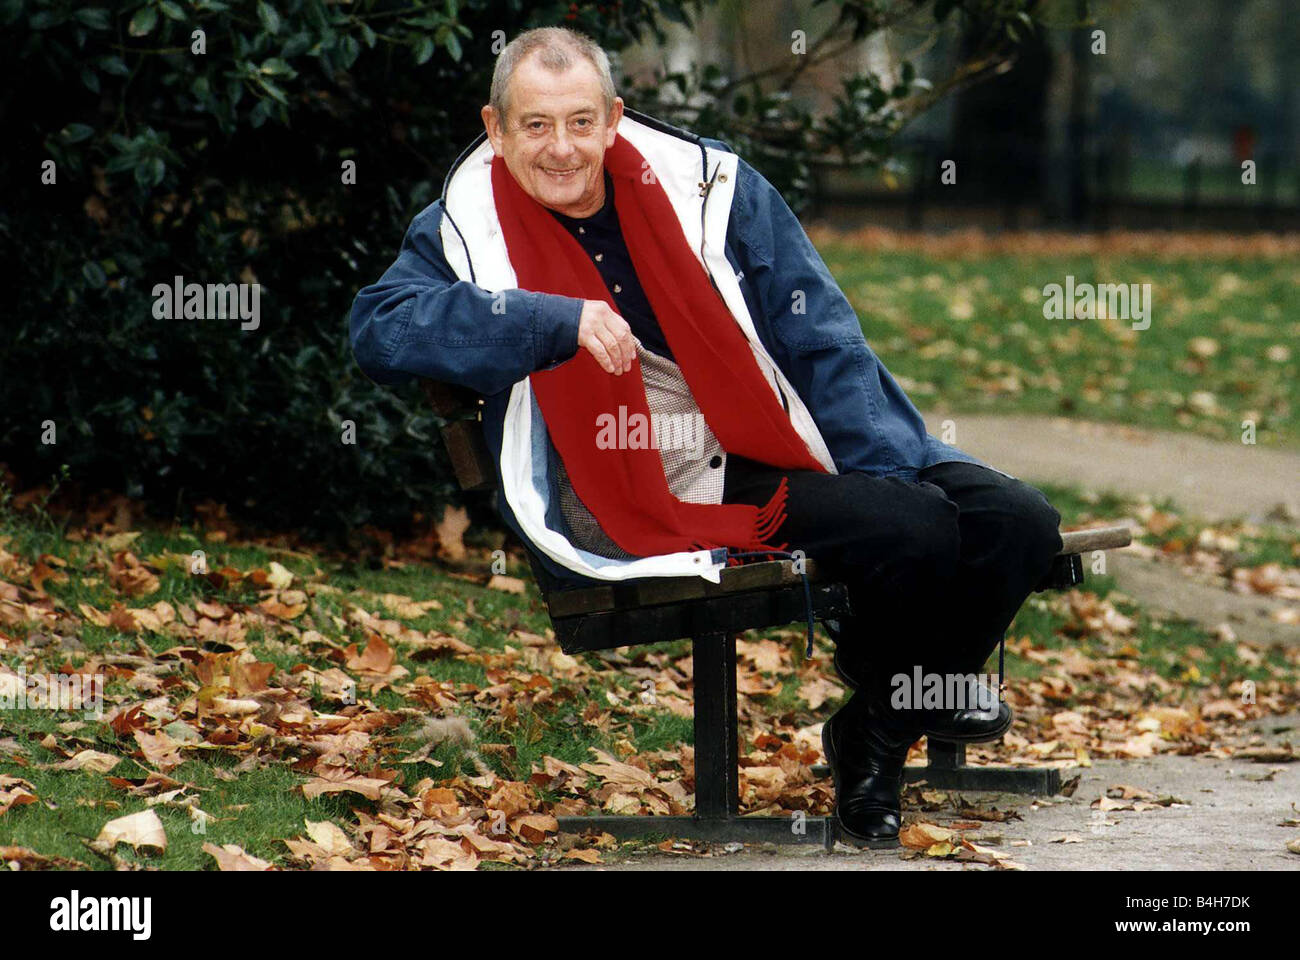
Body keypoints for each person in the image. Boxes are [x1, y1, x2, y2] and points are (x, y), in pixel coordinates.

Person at [348, 26, 1062, 847]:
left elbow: (818, 331)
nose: (561, 148)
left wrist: (889, 468)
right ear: (495, 126)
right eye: (536, 125)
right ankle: (893, 730)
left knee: (1018, 522)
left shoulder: (709, 187)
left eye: (581, 122)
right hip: (636, 482)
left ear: (615, 118)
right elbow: (382, 327)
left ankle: (879, 714)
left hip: (769, 433)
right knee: (917, 526)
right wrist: (551, 320)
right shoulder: (467, 223)